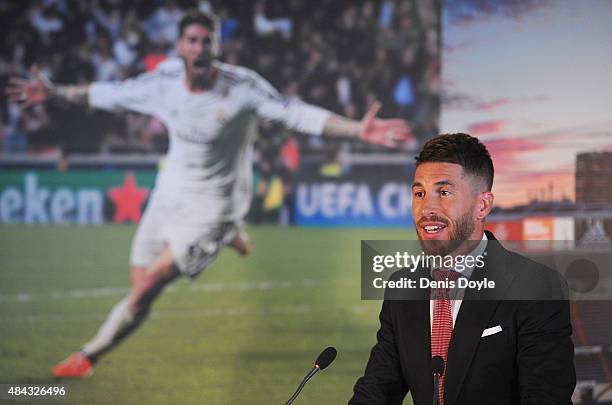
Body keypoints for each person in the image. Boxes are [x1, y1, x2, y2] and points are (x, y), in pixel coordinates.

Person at [6, 10, 412, 378]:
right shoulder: (164, 81)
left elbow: (296, 112)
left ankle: (87, 356)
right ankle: (232, 234)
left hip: (214, 204)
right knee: (138, 285)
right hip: (170, 193)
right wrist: (55, 92)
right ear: (180, 46)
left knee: (147, 284)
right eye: (193, 40)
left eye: (207, 41)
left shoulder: (242, 87)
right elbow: (109, 93)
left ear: (217, 46)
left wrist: (356, 129)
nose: (200, 48)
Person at [350, 133, 575, 404]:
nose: (427, 208)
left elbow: (545, 397)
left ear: (482, 205)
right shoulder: (402, 286)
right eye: (419, 193)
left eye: (444, 193)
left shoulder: (536, 286)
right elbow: (377, 390)